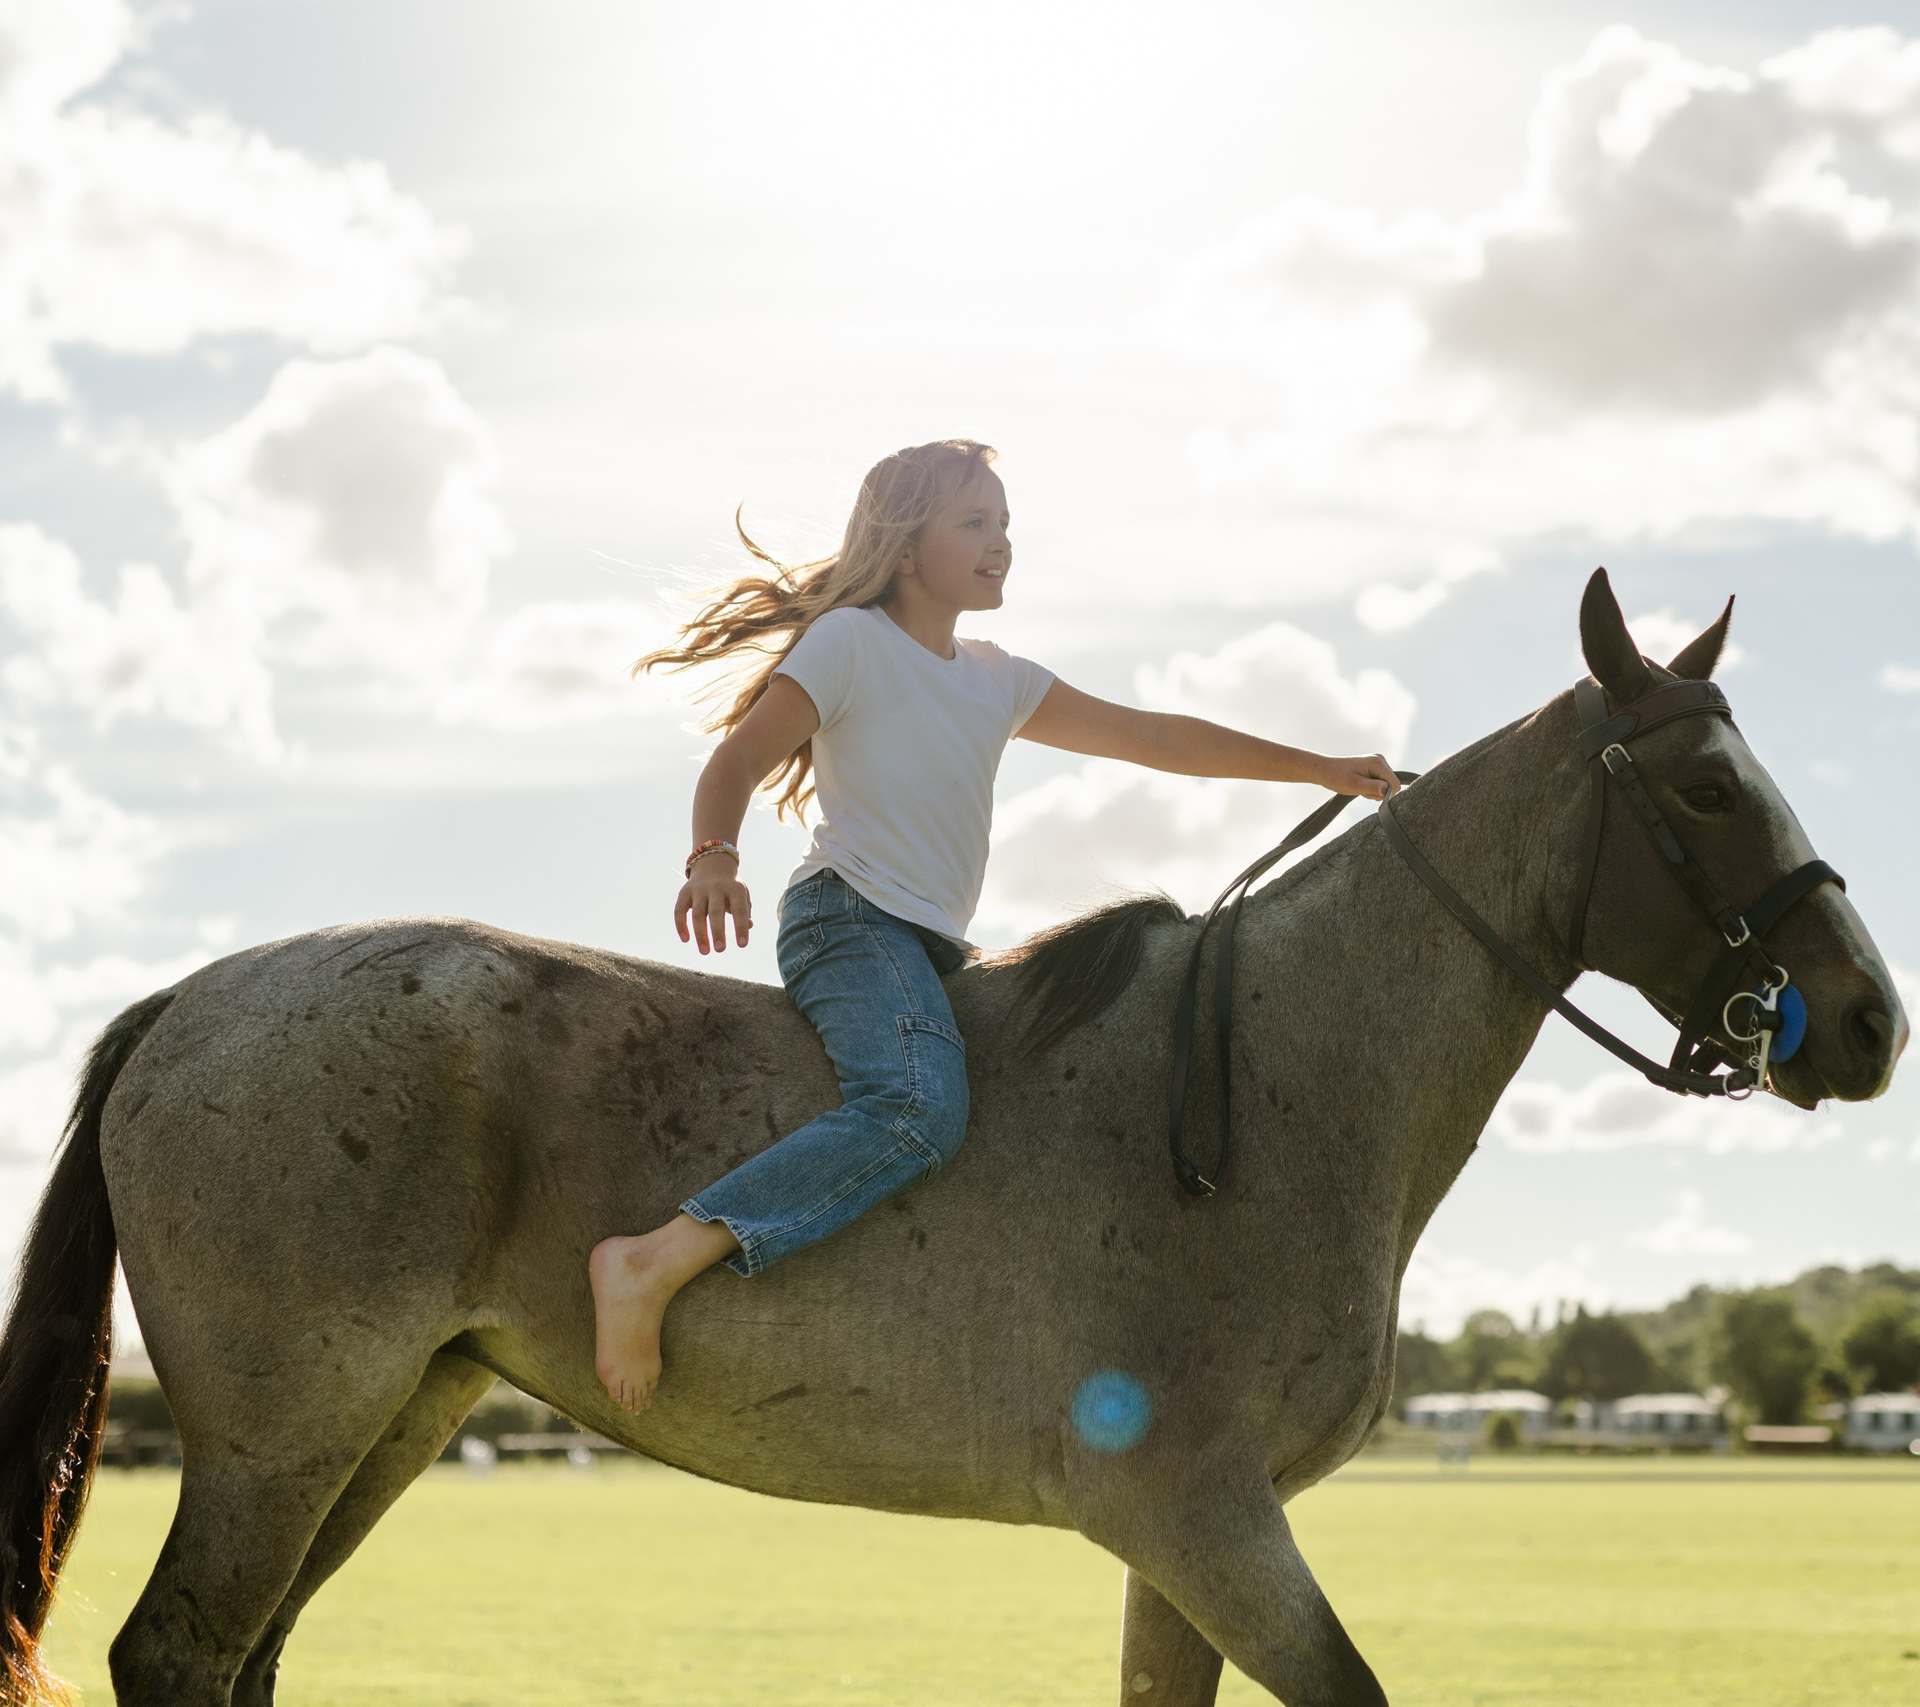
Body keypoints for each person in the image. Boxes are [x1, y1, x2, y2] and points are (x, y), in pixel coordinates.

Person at [591, 439, 1395, 1412]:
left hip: (932, 948)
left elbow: (1152, 737)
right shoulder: (850, 643)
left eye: (1006, 524)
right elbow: (737, 759)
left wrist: (1318, 768)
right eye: (973, 523)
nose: (1000, 543)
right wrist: (712, 857)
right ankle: (658, 1259)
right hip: (848, 921)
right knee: (916, 1109)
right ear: (900, 547)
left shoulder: (996, 679)